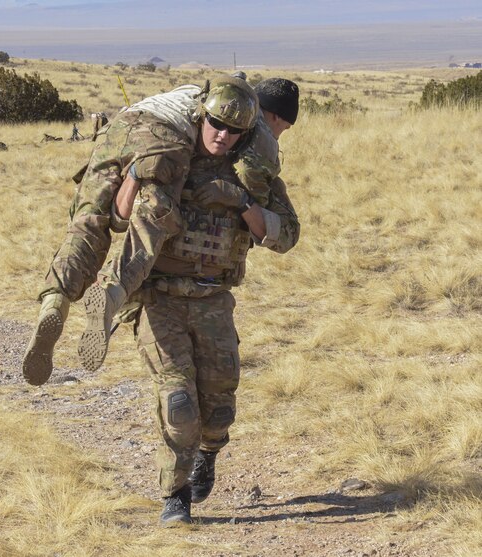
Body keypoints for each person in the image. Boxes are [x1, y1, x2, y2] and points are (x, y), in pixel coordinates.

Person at [117, 78, 301, 526]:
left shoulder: (251, 173)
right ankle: (174, 496)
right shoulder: (171, 157)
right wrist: (137, 172)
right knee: (178, 401)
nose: (222, 135)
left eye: (233, 130)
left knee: (218, 409)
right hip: (160, 297)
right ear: (202, 119)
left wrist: (241, 203)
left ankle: (209, 453)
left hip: (214, 299)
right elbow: (119, 217)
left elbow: (286, 236)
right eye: (215, 125)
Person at [22, 76, 259, 386]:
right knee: (155, 221)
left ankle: (54, 302)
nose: (226, 133)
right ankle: (113, 293)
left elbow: (116, 219)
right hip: (162, 137)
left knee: (87, 222)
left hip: (119, 128)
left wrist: (131, 176)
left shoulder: (181, 94)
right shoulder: (244, 116)